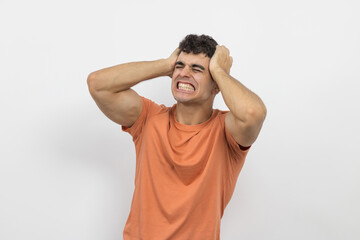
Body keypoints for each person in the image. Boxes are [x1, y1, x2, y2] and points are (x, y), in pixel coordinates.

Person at [87, 34, 267, 240]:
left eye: (197, 69)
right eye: (180, 66)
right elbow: (97, 84)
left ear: (216, 85)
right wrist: (165, 65)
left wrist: (219, 71)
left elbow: (253, 113)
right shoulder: (148, 118)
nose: (184, 73)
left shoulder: (226, 131)